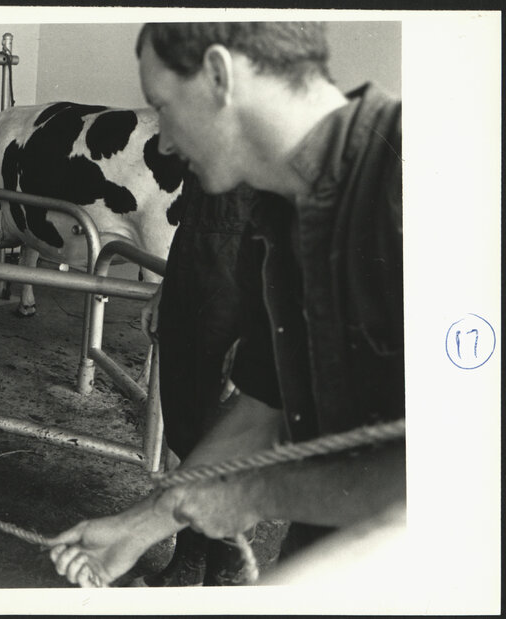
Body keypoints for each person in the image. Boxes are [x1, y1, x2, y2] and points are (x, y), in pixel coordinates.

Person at [49, 22, 404, 587]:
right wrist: (142, 525)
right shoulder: (282, 213)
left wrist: (250, 494)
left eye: (162, 105)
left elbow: (454, 475)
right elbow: (265, 403)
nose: (163, 141)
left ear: (219, 75)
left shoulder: (413, 176)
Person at [140, 174, 270, 586]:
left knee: (226, 439)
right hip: (191, 281)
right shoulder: (210, 129)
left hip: (238, 294)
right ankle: (190, 560)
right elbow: (192, 219)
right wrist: (167, 287)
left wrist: (258, 332)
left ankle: (227, 576)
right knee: (186, 429)